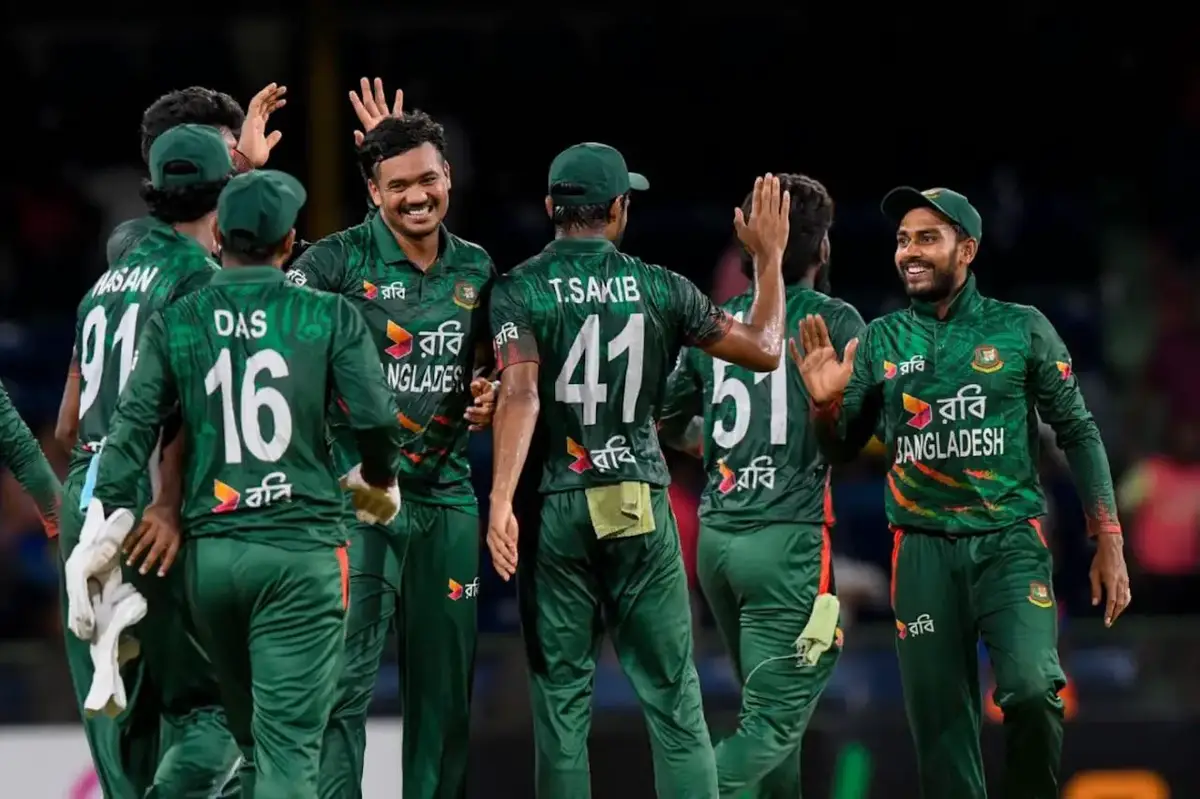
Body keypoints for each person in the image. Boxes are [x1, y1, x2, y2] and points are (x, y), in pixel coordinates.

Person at [793, 186, 1131, 799]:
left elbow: (1078, 430)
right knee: (942, 733)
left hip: (1009, 545)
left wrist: (1107, 535)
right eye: (902, 240)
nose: (909, 252)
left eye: (927, 238)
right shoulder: (881, 340)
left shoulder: (1021, 329)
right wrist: (825, 406)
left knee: (1032, 691)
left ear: (967, 249)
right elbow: (842, 447)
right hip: (921, 552)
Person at [78, 169, 406, 799]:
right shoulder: (327, 314)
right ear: (289, 243)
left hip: (213, 565)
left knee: (252, 742)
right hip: (298, 556)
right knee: (288, 756)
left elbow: (129, 436)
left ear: (222, 236)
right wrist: (378, 477)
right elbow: (376, 420)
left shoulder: (180, 320)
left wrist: (104, 530)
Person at [486, 144, 792, 798]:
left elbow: (518, 393)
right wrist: (767, 258)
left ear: (550, 208)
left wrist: (501, 500)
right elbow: (765, 349)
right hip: (638, 499)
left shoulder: (516, 288)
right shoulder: (663, 287)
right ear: (619, 209)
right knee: (676, 705)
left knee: (563, 707)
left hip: (556, 507)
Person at [286, 107, 496, 799]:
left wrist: (487, 392)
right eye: (397, 184)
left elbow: (488, 368)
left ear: (450, 178)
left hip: (446, 497)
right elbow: (270, 328)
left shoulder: (475, 267)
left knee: (444, 697)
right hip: (358, 497)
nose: (416, 196)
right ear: (373, 192)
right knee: (343, 684)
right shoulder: (333, 262)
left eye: (428, 179)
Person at [658, 173, 861, 798]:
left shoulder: (717, 326)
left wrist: (715, 446)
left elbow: (663, 417)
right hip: (787, 544)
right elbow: (854, 433)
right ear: (822, 251)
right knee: (772, 724)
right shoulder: (835, 319)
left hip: (718, 542)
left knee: (774, 728)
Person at [55, 124, 242, 799]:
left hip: (88, 502)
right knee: (222, 708)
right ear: (225, 195)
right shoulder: (202, 279)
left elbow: (67, 421)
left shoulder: (101, 287)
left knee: (124, 736)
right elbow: (194, 407)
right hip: (153, 512)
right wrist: (169, 504)